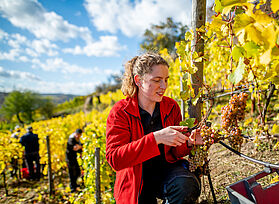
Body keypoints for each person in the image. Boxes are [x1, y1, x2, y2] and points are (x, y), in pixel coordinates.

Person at [106, 53, 204, 204]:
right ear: (138, 80)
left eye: (166, 80)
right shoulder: (120, 112)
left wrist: (188, 142)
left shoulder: (171, 107)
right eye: (157, 80)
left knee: (186, 185)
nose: (164, 86)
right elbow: (115, 159)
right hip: (135, 180)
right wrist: (155, 138)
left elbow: (175, 151)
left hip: (166, 171)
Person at [66, 128, 83, 193]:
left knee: (77, 172)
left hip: (75, 159)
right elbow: (75, 148)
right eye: (77, 134)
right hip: (70, 159)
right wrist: (80, 147)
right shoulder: (71, 139)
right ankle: (72, 188)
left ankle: (75, 185)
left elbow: (79, 148)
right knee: (71, 173)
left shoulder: (78, 140)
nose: (78, 136)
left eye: (79, 135)